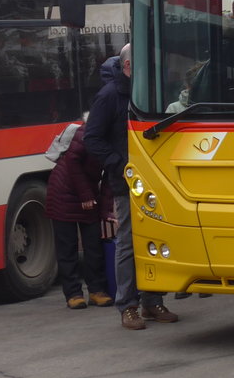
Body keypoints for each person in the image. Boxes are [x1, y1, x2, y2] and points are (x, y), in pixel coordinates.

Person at [85, 44, 179, 330]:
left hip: (154, 179)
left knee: (155, 238)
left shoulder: (147, 92)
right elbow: (92, 138)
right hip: (127, 181)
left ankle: (152, 301)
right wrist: (120, 164)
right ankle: (127, 305)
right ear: (128, 67)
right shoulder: (110, 96)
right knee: (128, 241)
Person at [46, 117, 112, 310]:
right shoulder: (86, 132)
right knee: (68, 246)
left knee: (94, 244)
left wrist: (105, 210)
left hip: (87, 192)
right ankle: (73, 293)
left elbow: (111, 174)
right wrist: (85, 195)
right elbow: (72, 162)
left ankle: (96, 290)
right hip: (62, 192)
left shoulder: (114, 137)